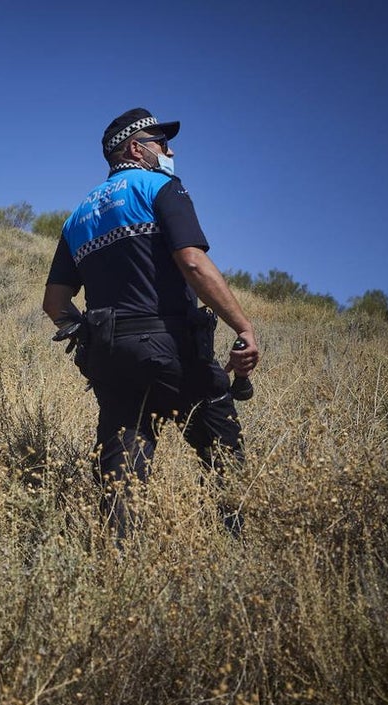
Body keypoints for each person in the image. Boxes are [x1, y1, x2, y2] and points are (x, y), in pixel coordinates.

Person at [42, 107, 260, 540]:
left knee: (121, 477)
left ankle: (119, 567)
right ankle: (239, 551)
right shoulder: (160, 187)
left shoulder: (78, 217)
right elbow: (193, 263)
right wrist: (243, 328)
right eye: (160, 142)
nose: (169, 149)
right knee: (224, 458)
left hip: (110, 355)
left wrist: (89, 333)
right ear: (135, 149)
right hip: (171, 346)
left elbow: (54, 302)